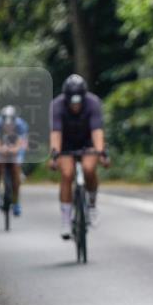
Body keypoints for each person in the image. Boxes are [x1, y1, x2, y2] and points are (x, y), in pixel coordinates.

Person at [48, 74, 109, 239]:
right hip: (66, 144)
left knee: (89, 169)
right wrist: (54, 155)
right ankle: (66, 220)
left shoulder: (93, 103)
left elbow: (97, 131)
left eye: (78, 101)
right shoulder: (57, 105)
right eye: (72, 102)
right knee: (67, 174)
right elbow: (56, 134)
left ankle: (92, 205)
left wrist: (101, 152)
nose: (75, 105)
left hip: (87, 142)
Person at [0, 105, 28, 216]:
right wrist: (2, 149)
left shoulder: (21, 125)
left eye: (11, 124)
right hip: (0, 147)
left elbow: (20, 145)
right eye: (6, 124)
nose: (8, 126)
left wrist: (13, 149)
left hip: (15, 147)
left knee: (16, 167)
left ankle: (16, 201)